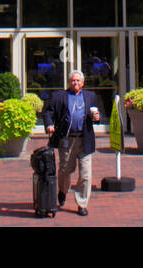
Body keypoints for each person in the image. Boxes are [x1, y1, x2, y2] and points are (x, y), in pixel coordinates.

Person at [42, 69, 103, 216]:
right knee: (64, 170)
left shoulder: (90, 96)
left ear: (83, 83)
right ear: (69, 82)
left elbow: (96, 114)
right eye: (73, 80)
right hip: (67, 140)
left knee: (86, 174)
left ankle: (82, 203)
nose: (75, 83)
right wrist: (49, 124)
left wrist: (97, 117)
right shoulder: (59, 96)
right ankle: (62, 191)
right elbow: (48, 112)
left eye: (78, 80)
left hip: (85, 139)